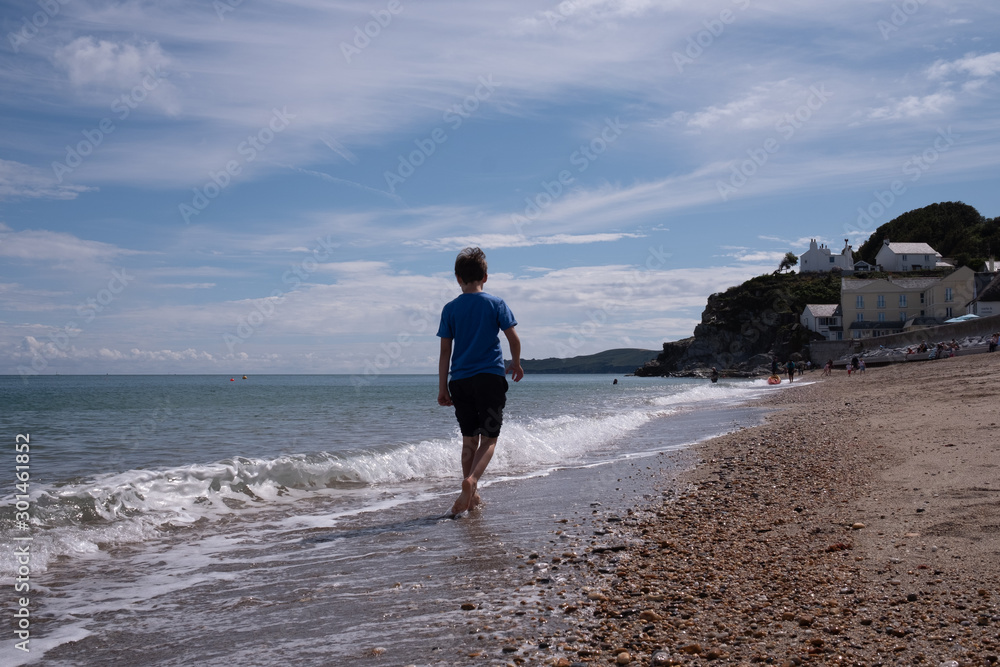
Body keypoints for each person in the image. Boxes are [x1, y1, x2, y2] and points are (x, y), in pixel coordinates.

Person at [437, 247, 524, 516]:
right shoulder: (496, 304)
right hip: (489, 379)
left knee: (468, 441)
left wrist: (442, 387)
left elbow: (444, 353)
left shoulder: (450, 309)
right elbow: (513, 339)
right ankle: (472, 482)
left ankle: (471, 497)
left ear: (457, 278)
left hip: (460, 381)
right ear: (485, 277)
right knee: (489, 440)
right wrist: (516, 363)